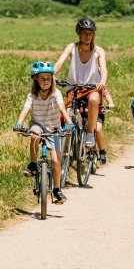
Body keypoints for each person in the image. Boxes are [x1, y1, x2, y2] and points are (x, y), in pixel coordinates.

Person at [13, 61, 74, 204]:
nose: (46, 81)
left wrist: (69, 124)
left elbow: (62, 109)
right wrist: (19, 123)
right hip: (38, 124)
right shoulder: (32, 95)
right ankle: (33, 164)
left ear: (52, 79)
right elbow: (25, 110)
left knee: (55, 160)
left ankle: (57, 189)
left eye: (48, 78)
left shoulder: (56, 93)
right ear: (36, 79)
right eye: (42, 78)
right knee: (34, 134)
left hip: (54, 128)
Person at [54, 17, 112, 163]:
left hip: (92, 88)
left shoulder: (98, 51)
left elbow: (104, 70)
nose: (88, 36)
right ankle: (65, 154)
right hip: (73, 88)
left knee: (94, 99)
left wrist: (102, 82)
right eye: (85, 33)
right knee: (69, 117)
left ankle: (90, 133)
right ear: (78, 33)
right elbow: (59, 63)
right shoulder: (71, 48)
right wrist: (52, 74)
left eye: (91, 33)